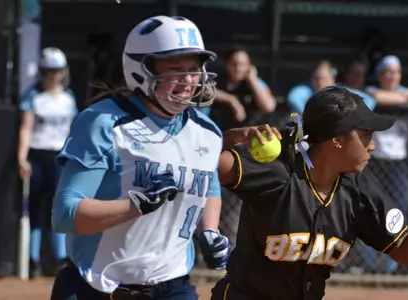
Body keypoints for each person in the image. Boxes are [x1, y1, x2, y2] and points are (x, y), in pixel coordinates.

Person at [211, 86, 408, 300]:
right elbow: (202, 161)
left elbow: (403, 248)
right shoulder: (276, 172)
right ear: (337, 140)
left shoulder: (358, 192)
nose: (373, 145)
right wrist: (236, 135)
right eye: (366, 135)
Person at [50, 15, 231, 299]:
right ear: (141, 71)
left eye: (194, 69)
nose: (188, 79)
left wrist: (209, 230)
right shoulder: (104, 122)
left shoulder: (207, 131)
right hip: (96, 287)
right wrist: (131, 207)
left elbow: (208, 183)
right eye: (175, 68)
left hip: (172, 287)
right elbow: (64, 214)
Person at [363, 55, 408, 274]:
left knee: (398, 212)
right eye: (387, 72)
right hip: (374, 161)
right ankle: (369, 265)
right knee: (369, 211)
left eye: (395, 72)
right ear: (380, 75)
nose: (391, 76)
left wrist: (401, 95)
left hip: (398, 162)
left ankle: (394, 264)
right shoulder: (370, 91)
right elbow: (377, 98)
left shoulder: (404, 91)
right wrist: (395, 97)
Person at [17, 47, 76, 278]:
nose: (52, 76)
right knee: (33, 209)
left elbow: (72, 131)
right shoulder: (33, 97)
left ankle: (60, 258)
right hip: (37, 156)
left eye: (57, 71)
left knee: (57, 207)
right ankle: (31, 261)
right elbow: (26, 128)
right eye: (48, 71)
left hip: (58, 157)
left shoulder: (67, 99)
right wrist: (21, 158)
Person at [209, 46, 276, 131]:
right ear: (227, 64)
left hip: (250, 133)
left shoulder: (256, 82)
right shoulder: (219, 80)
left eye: (242, 64)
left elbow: (268, 107)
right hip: (222, 131)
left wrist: (252, 79)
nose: (238, 69)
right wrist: (231, 100)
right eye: (234, 64)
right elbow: (205, 91)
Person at [287, 60, 376, 114]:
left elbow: (369, 101)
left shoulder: (341, 91)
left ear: (332, 78)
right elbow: (293, 98)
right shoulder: (305, 90)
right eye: (316, 78)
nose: (320, 82)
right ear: (311, 78)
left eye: (324, 78)